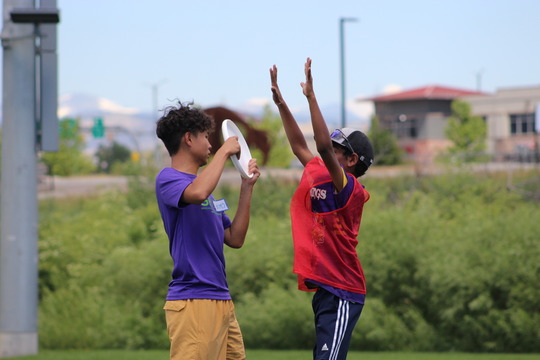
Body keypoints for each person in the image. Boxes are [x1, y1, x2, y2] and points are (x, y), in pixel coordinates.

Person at [270, 58, 374, 360]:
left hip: (344, 290)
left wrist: (311, 97)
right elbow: (299, 146)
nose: (330, 153)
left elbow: (321, 146)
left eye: (339, 151)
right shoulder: (321, 173)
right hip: (326, 290)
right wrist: (281, 104)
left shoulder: (350, 189)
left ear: (352, 161)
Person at [155, 101, 260, 360]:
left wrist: (247, 186)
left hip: (220, 298)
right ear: (188, 139)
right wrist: (225, 152)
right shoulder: (169, 179)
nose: (211, 145)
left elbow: (235, 238)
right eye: (206, 137)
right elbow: (198, 192)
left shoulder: (208, 193)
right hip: (193, 301)